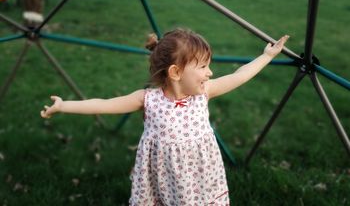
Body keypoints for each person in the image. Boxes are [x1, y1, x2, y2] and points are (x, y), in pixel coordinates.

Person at [41, 28, 289, 205]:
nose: (210, 73)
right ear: (175, 72)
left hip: (201, 174)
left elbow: (239, 75)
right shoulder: (147, 99)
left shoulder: (203, 93)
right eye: (203, 66)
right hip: (164, 175)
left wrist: (266, 56)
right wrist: (64, 105)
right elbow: (103, 104)